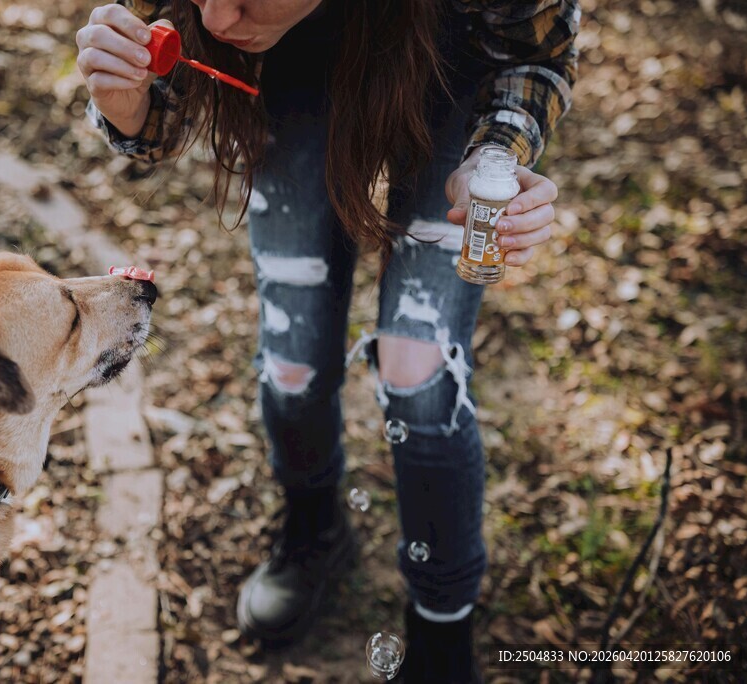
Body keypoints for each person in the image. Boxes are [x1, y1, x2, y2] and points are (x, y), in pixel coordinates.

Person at [77, 0, 579, 680]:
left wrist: (495, 156)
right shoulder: (227, 20)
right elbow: (166, 106)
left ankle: (441, 624)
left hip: (448, 60)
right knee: (290, 360)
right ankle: (315, 528)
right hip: (288, 81)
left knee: (418, 372)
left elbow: (534, 53)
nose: (220, 19)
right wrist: (124, 102)